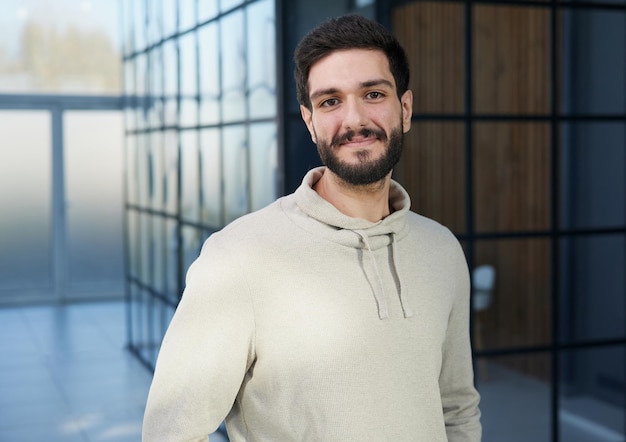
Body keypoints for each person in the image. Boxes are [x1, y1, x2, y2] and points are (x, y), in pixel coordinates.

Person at [143, 14, 481, 441]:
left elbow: (457, 408)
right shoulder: (238, 258)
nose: (354, 120)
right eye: (330, 102)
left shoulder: (442, 250)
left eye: (373, 94)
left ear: (405, 108)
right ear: (309, 121)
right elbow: (170, 432)